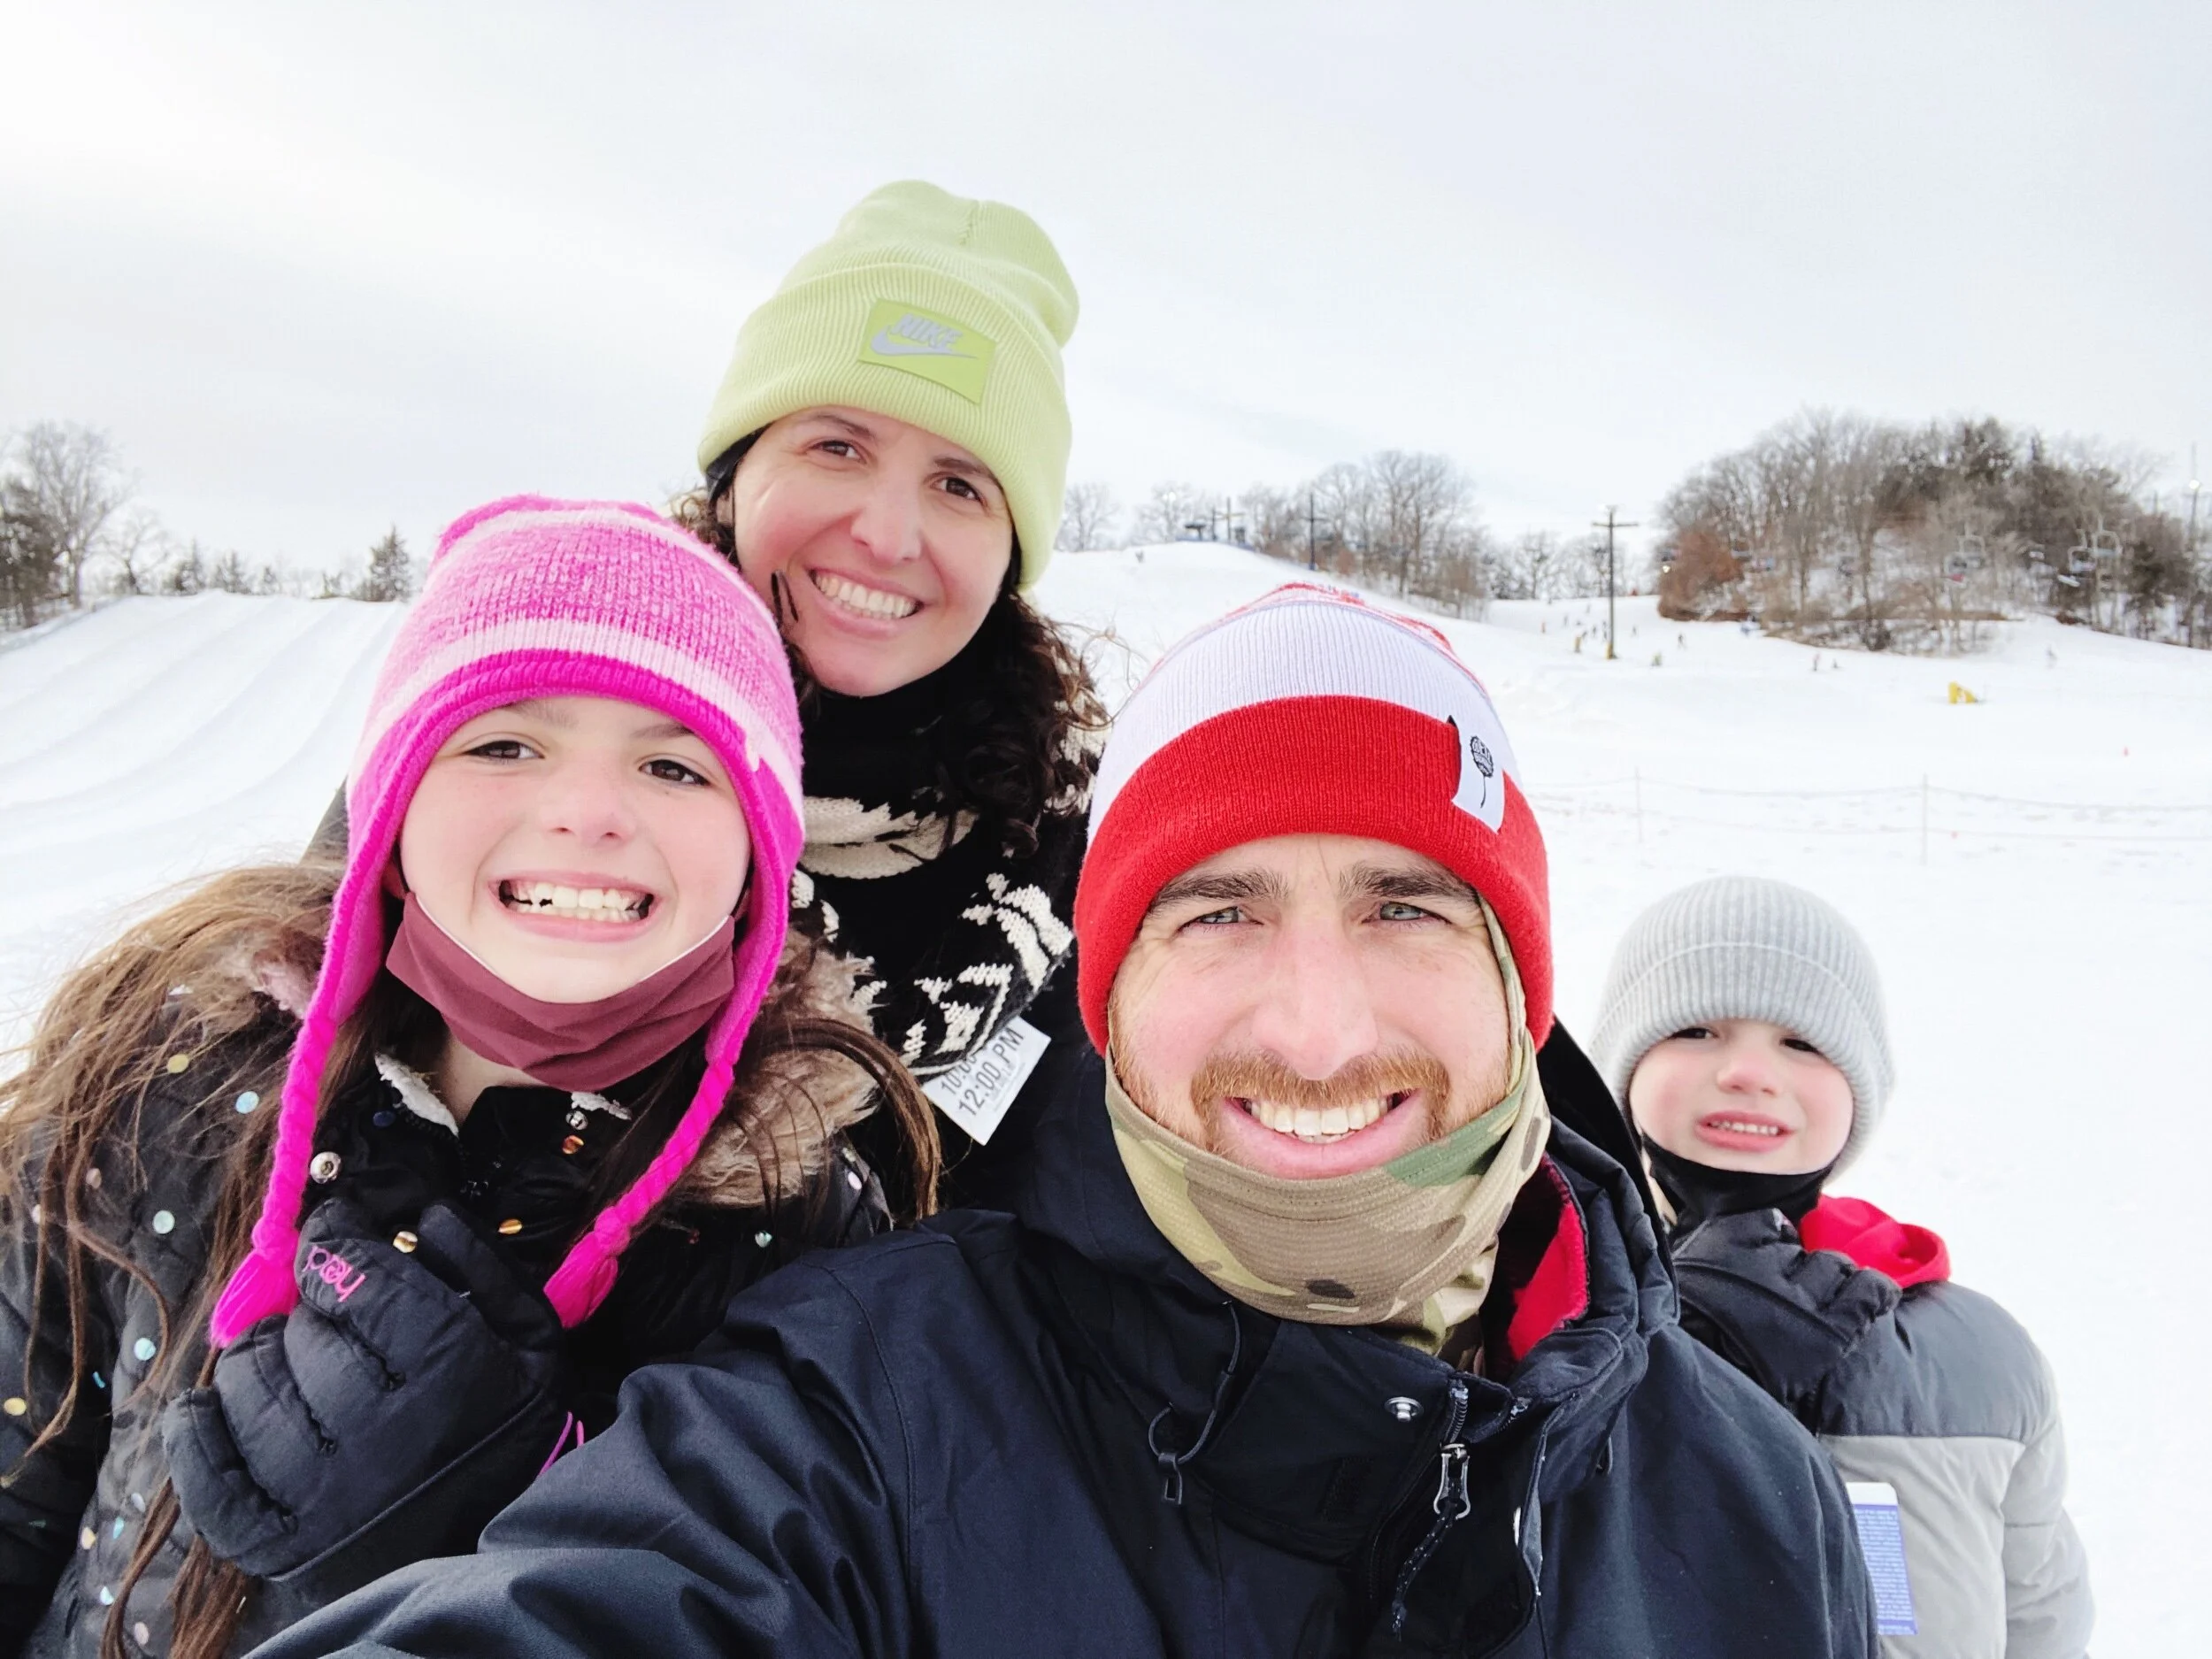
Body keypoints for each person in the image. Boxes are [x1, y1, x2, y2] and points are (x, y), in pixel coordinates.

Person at [257, 586, 1876, 1658]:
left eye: (1407, 909)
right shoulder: (855, 1413)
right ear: (1102, 996)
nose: (1316, 1028)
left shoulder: (1751, 1501)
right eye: (1217, 914)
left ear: (1525, 985)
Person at [0, 498, 938, 1658]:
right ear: (389, 799)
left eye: (671, 761)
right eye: (505, 742)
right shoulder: (168, 1065)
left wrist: (492, 1530)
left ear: (759, 849)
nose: (590, 811)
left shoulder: (809, 1233)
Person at [668, 180, 1108, 1198]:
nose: (886, 533)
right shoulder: (534, 713)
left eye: (959, 484)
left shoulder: (1072, 839)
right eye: (837, 446)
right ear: (735, 476)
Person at [1589, 875, 2093, 1658]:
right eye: (1696, 1029)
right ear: (1623, 1071)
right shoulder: (1537, 1311)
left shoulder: (1978, 1355)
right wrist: (1672, 1344)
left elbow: (2040, 1614)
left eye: (1802, 1042)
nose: (1749, 1071)